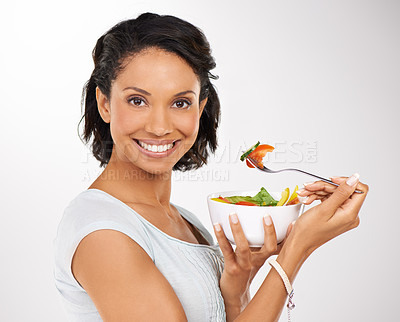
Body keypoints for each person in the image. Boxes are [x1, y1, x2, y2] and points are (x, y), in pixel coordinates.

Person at [53, 12, 368, 322]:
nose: (160, 127)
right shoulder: (101, 230)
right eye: (138, 100)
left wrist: (235, 293)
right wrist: (296, 248)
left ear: (200, 108)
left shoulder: (186, 222)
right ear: (105, 103)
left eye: (180, 102)